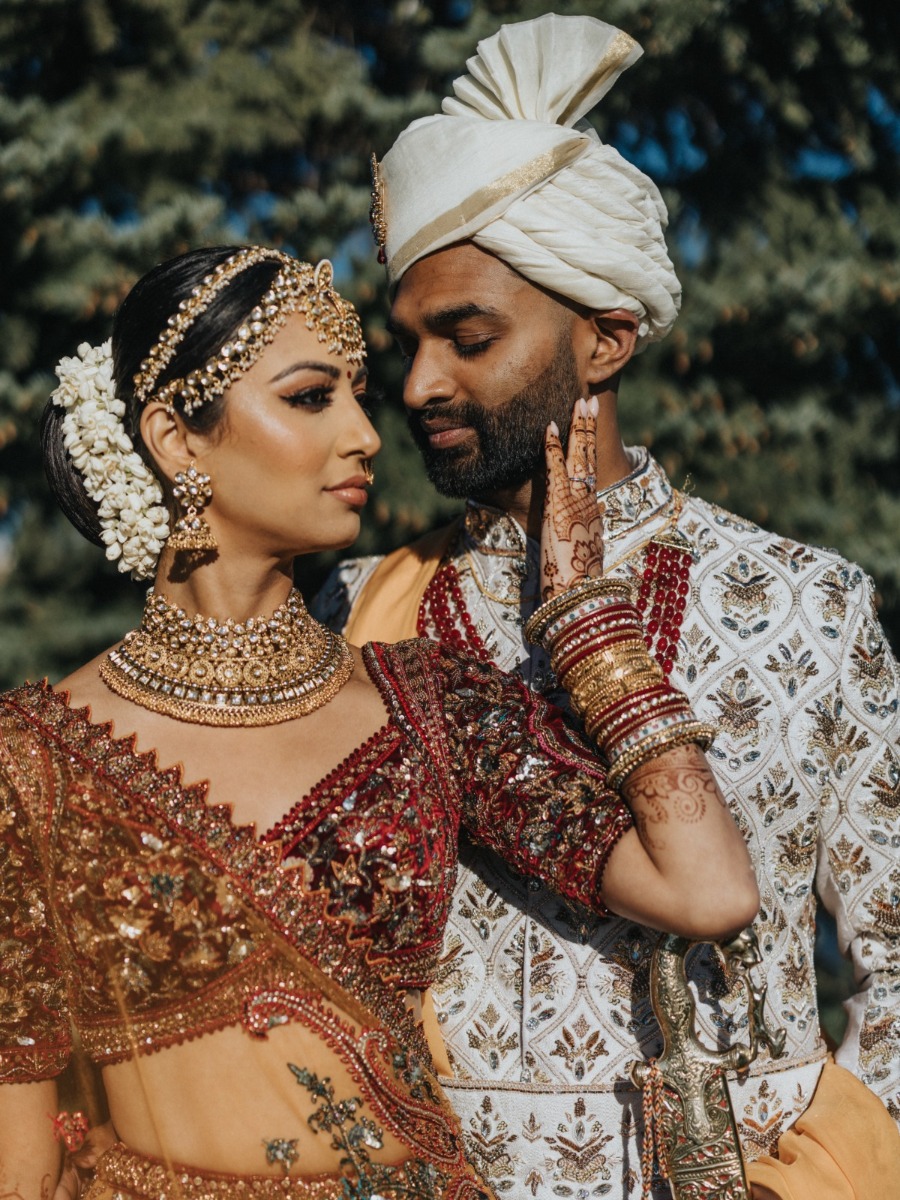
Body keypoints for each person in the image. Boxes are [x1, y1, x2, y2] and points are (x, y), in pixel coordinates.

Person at [0, 243, 758, 1200]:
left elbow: (708, 890)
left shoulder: (426, 700)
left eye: (361, 395)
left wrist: (590, 630)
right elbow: (17, 1163)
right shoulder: (32, 758)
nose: (366, 434)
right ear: (174, 437)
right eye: (314, 396)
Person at [316, 13, 900, 1200]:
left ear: (607, 339)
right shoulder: (360, 611)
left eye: (467, 338)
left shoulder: (810, 605)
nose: (421, 383)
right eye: (410, 343)